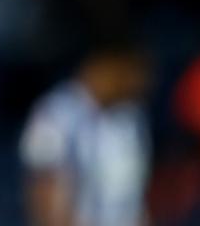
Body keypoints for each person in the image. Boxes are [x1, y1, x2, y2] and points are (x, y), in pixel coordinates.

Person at [20, 37, 153, 226]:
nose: (138, 81)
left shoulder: (131, 116)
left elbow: (133, 194)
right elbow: (43, 189)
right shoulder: (56, 112)